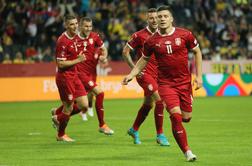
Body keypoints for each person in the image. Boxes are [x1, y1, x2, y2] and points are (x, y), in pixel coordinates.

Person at [122, 5, 202, 162]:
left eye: (165, 16)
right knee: (175, 116)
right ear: (156, 20)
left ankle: (139, 128)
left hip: (184, 84)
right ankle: (187, 151)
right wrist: (132, 73)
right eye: (160, 17)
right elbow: (143, 60)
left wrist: (199, 76)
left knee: (186, 118)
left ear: (171, 18)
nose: (162, 19)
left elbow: (197, 52)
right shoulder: (151, 41)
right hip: (165, 84)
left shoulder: (185, 34)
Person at [122, 8, 169, 146]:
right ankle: (160, 135)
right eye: (151, 18)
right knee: (160, 101)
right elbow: (125, 52)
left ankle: (134, 129)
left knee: (148, 104)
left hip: (158, 74)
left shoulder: (164, 34)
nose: (155, 20)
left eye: (156, 17)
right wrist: (134, 69)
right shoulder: (139, 35)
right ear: (147, 19)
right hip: (144, 74)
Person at [52, 15, 88, 142]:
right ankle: (61, 135)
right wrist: (78, 59)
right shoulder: (63, 41)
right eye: (71, 24)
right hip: (65, 78)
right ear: (66, 25)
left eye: (76, 23)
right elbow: (60, 64)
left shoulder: (76, 37)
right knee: (69, 108)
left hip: (74, 76)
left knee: (84, 105)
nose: (75, 26)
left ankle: (57, 115)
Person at [76, 17, 114, 135]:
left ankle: (58, 115)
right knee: (100, 93)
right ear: (80, 26)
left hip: (91, 73)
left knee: (80, 105)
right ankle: (102, 125)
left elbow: (103, 49)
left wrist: (104, 56)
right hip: (79, 73)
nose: (88, 29)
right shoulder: (75, 39)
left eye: (90, 26)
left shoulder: (95, 36)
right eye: (86, 26)